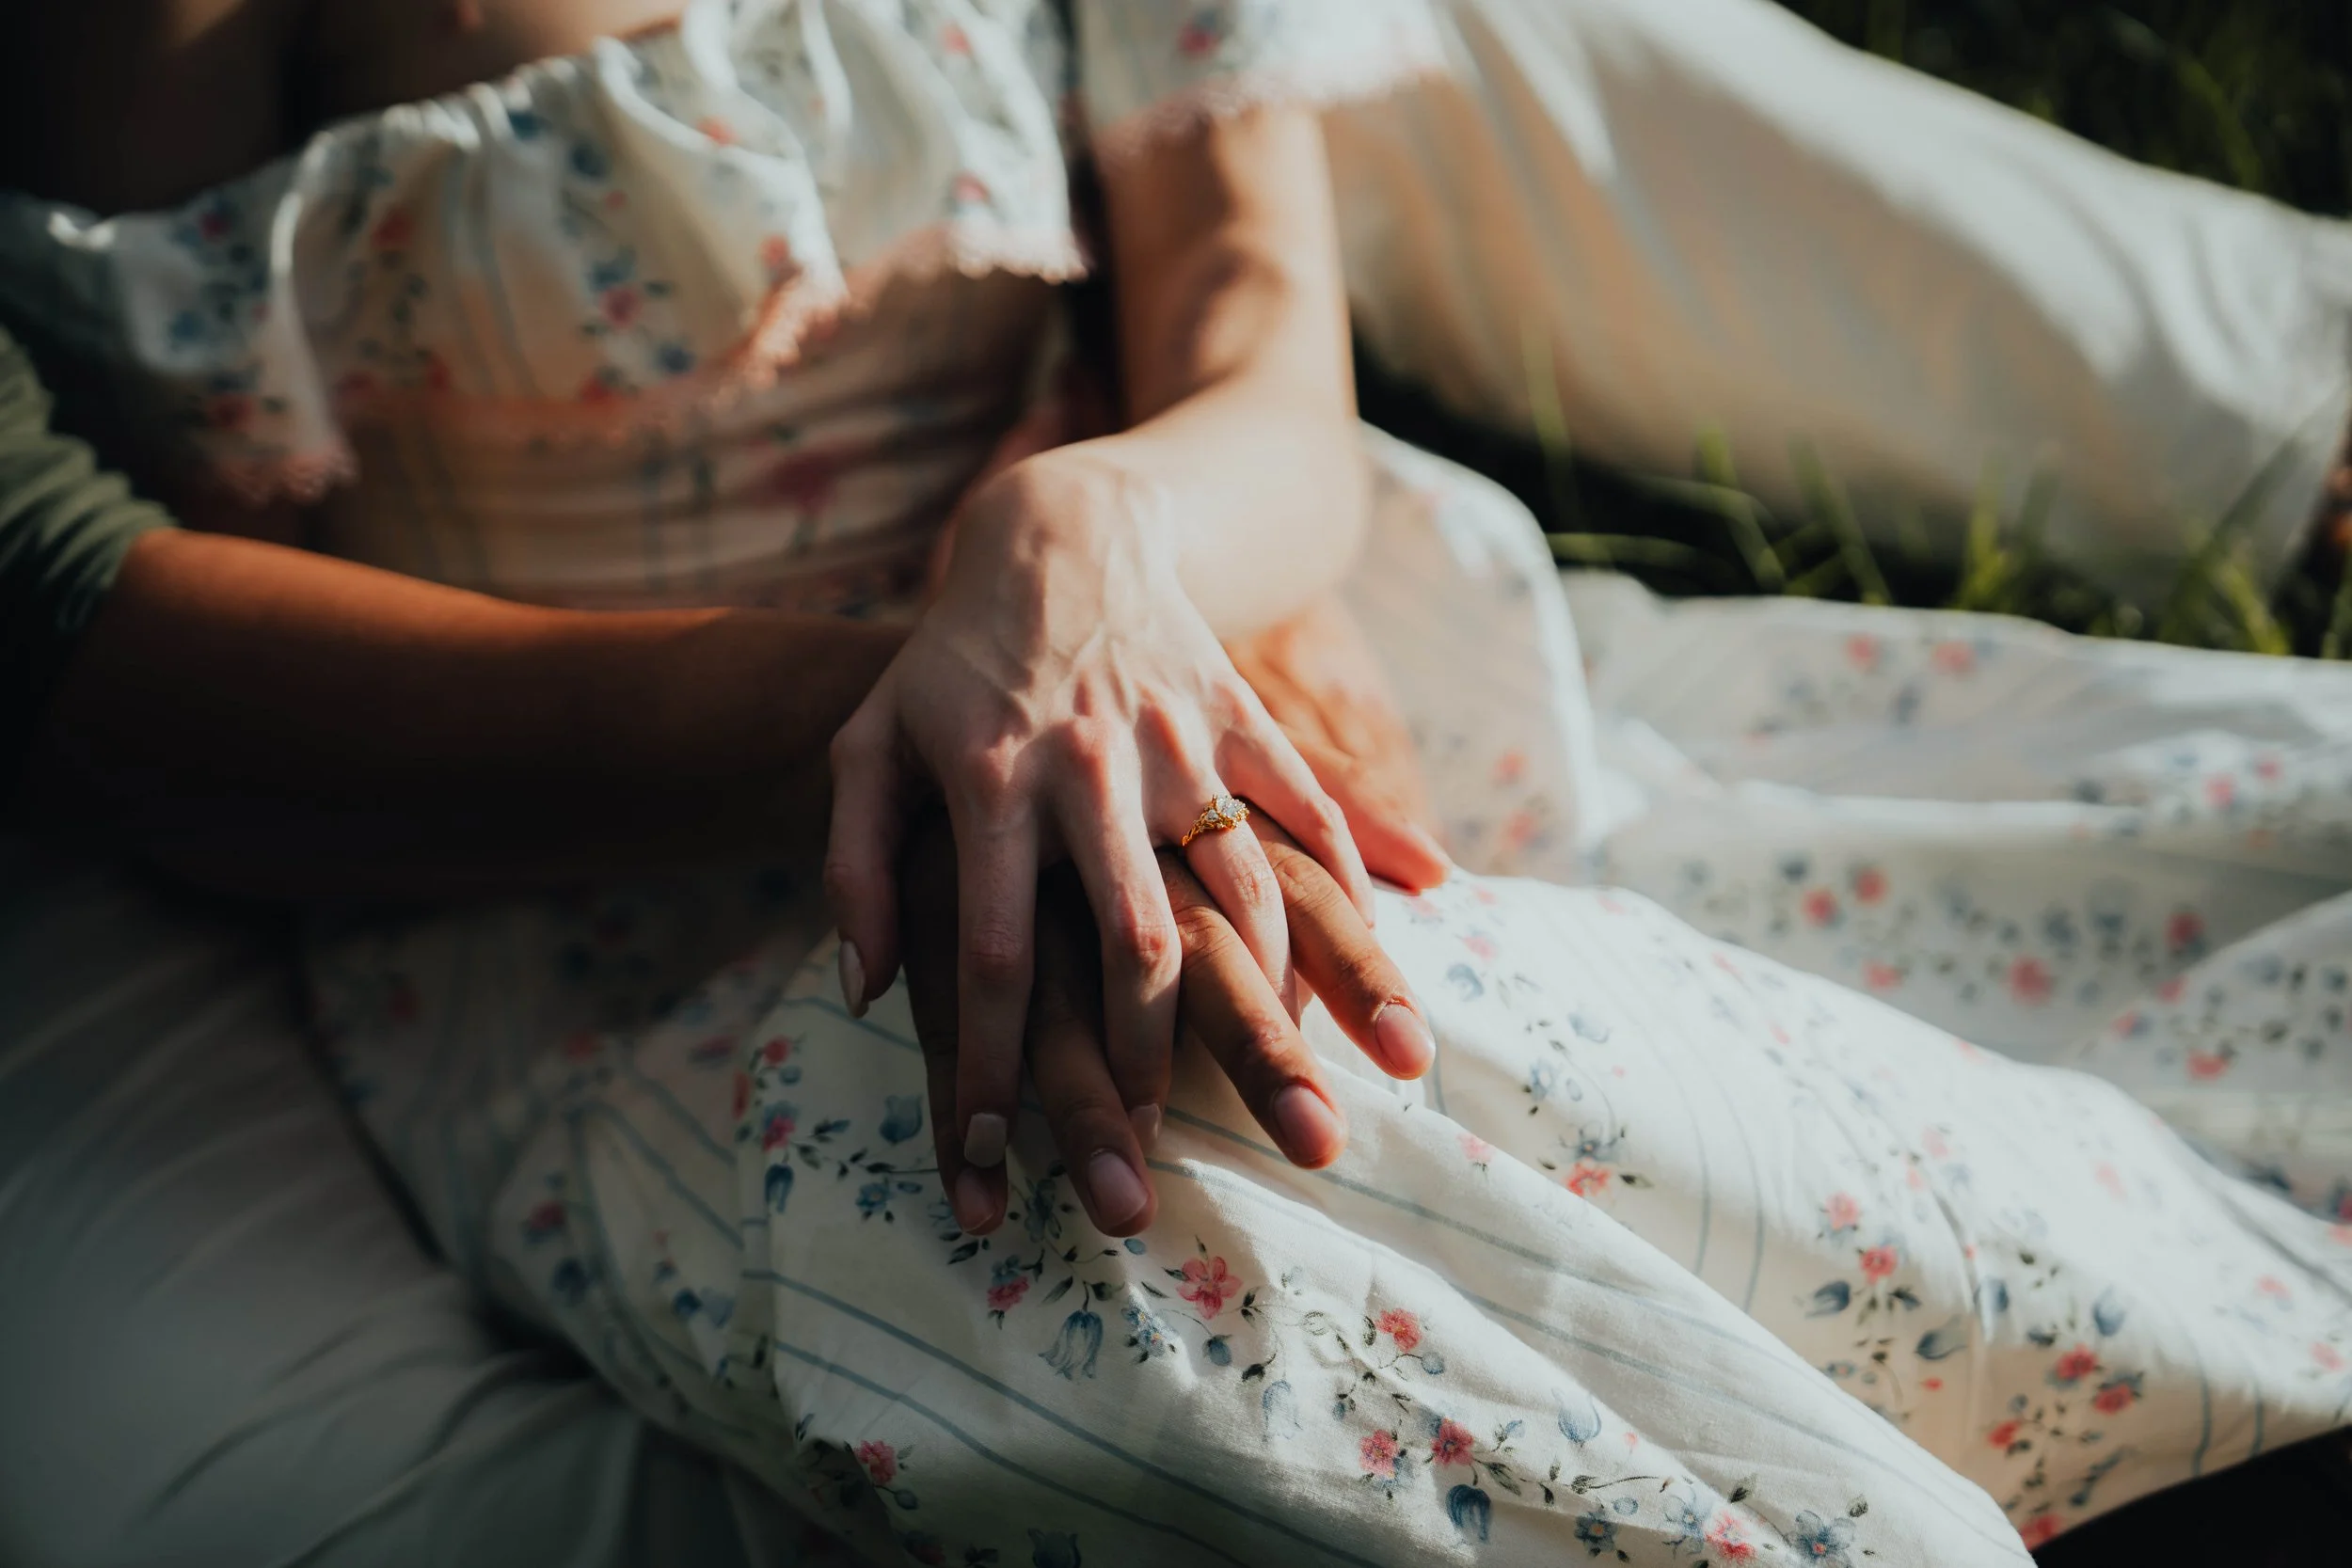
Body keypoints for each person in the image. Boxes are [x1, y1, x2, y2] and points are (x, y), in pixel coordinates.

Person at [8, 0, 2352, 1561]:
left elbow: (1253, 337)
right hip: (588, 884)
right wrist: (922, 741)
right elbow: (122, 660)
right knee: (1182, 1235)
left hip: (1178, 636)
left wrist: (1081, 544)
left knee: (1456, 1032)